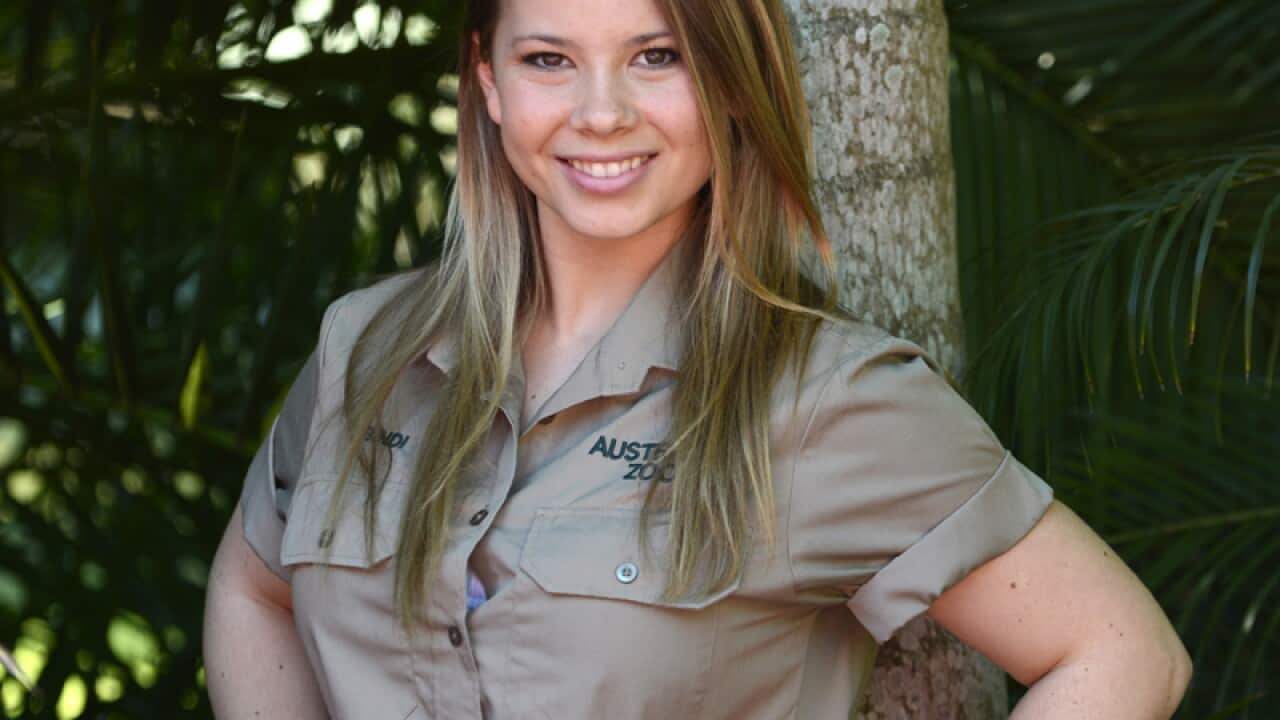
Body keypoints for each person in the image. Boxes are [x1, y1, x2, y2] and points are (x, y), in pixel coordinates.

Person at [202, 0, 1193, 717]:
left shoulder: (827, 401)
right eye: (548, 58)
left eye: (656, 55)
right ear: (487, 81)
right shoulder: (366, 348)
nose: (601, 113)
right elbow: (253, 585)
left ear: (729, 78)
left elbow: (1118, 651)